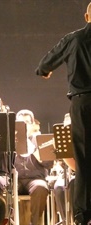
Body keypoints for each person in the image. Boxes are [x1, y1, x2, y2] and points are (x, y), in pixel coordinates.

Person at [35, 3, 91, 224]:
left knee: (84, 161)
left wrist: (44, 71)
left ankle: (82, 216)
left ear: (87, 16)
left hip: (83, 103)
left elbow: (45, 64)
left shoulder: (74, 39)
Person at [14, 109, 53, 225]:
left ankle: (35, 222)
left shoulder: (39, 140)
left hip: (35, 179)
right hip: (17, 179)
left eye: (27, 122)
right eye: (21, 123)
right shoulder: (12, 140)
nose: (25, 125)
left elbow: (49, 164)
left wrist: (36, 151)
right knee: (6, 188)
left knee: (41, 187)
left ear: (32, 124)